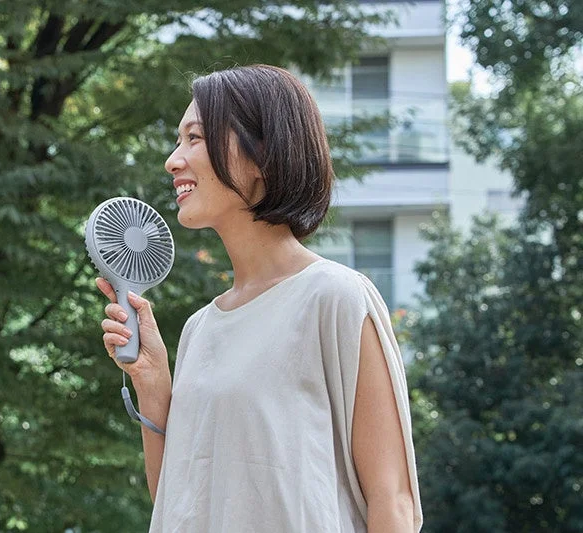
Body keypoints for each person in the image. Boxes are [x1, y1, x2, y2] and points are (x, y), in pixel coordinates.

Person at [96, 64, 423, 532]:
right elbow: (179, 502)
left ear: (262, 154)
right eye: (178, 140)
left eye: (195, 138)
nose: (173, 160)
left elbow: (394, 504)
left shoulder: (336, 299)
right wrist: (152, 383)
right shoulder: (198, 329)